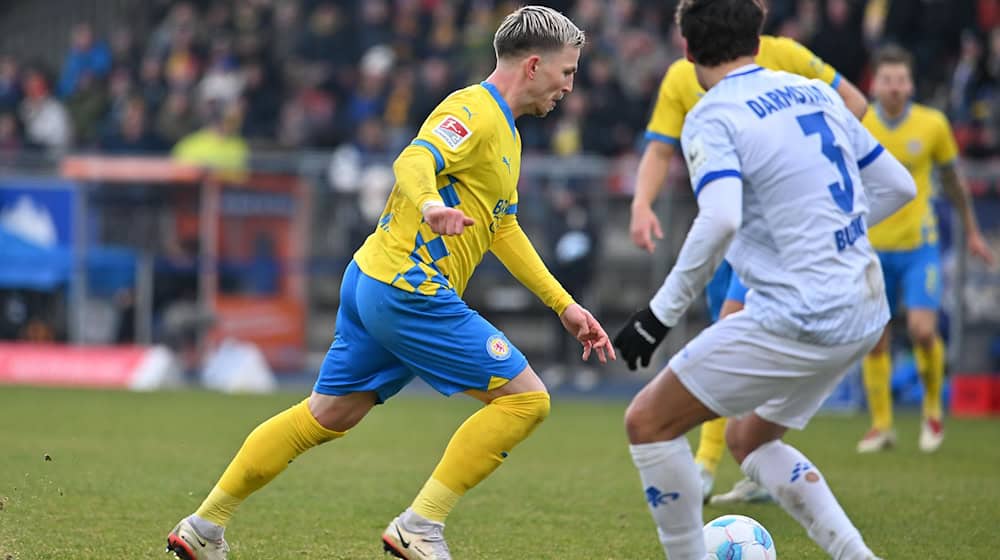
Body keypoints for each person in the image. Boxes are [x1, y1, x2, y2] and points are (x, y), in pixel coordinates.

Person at [164, 7, 616, 560]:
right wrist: (429, 203)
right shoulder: (473, 109)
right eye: (567, 72)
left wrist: (564, 305)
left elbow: (504, 227)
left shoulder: (510, 134)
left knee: (325, 415)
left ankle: (203, 527)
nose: (570, 86)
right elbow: (414, 159)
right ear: (535, 65)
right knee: (526, 402)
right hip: (409, 289)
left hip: (374, 280)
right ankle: (419, 527)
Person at [612, 0, 916, 558]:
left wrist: (658, 316)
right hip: (865, 307)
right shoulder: (815, 90)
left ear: (686, 49)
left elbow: (722, 217)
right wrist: (826, 235)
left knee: (648, 422)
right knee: (747, 438)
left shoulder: (712, 114)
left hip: (801, 314)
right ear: (757, 37)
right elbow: (898, 186)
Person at [856, 45, 996, 454]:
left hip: (920, 244)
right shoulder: (860, 123)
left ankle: (932, 412)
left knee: (921, 330)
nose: (895, 88)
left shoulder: (932, 124)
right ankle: (882, 425)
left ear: (911, 83)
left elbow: (953, 182)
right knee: (874, 338)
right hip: (872, 248)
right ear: (874, 83)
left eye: (901, 80)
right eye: (887, 80)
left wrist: (971, 230)